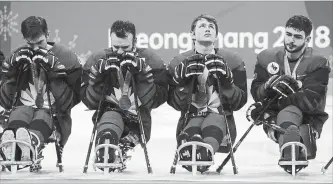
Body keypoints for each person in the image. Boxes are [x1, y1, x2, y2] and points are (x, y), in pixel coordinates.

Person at [81, 20, 168, 172]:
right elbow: (90, 103)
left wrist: (144, 75)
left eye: (125, 47)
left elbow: (158, 100)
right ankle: (108, 148)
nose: (120, 52)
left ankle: (121, 147)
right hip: (109, 112)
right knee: (106, 141)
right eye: (116, 47)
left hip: (138, 118)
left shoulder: (151, 59)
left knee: (116, 142)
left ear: (135, 41)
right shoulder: (98, 59)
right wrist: (96, 78)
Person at [250, 15, 331, 174]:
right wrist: (267, 86)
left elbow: (311, 101)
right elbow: (257, 93)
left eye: (297, 36)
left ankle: (292, 145)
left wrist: (274, 102)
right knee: (289, 128)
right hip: (274, 115)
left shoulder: (319, 62)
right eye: (288, 34)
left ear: (307, 40)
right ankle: (291, 146)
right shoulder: (267, 58)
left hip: (310, 116)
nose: (291, 40)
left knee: (295, 126)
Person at [167, 14, 247, 173]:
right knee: (195, 123)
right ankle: (194, 146)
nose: (207, 28)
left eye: (211, 26)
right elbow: (175, 104)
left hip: (221, 117)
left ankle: (201, 149)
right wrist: (181, 83)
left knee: (213, 118)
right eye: (202, 26)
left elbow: (240, 102)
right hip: (191, 116)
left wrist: (227, 82)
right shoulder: (178, 62)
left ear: (216, 36)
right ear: (192, 34)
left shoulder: (232, 60)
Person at [0, 16, 82, 170]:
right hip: (22, 108)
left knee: (43, 114)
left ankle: (31, 142)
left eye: (40, 43)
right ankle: (11, 142)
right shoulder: (17, 55)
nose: (36, 48)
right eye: (31, 44)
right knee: (20, 111)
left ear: (48, 34)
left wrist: (56, 75)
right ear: (24, 39)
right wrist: (11, 75)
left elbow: (70, 103)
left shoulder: (67, 57)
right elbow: (5, 102)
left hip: (54, 113)